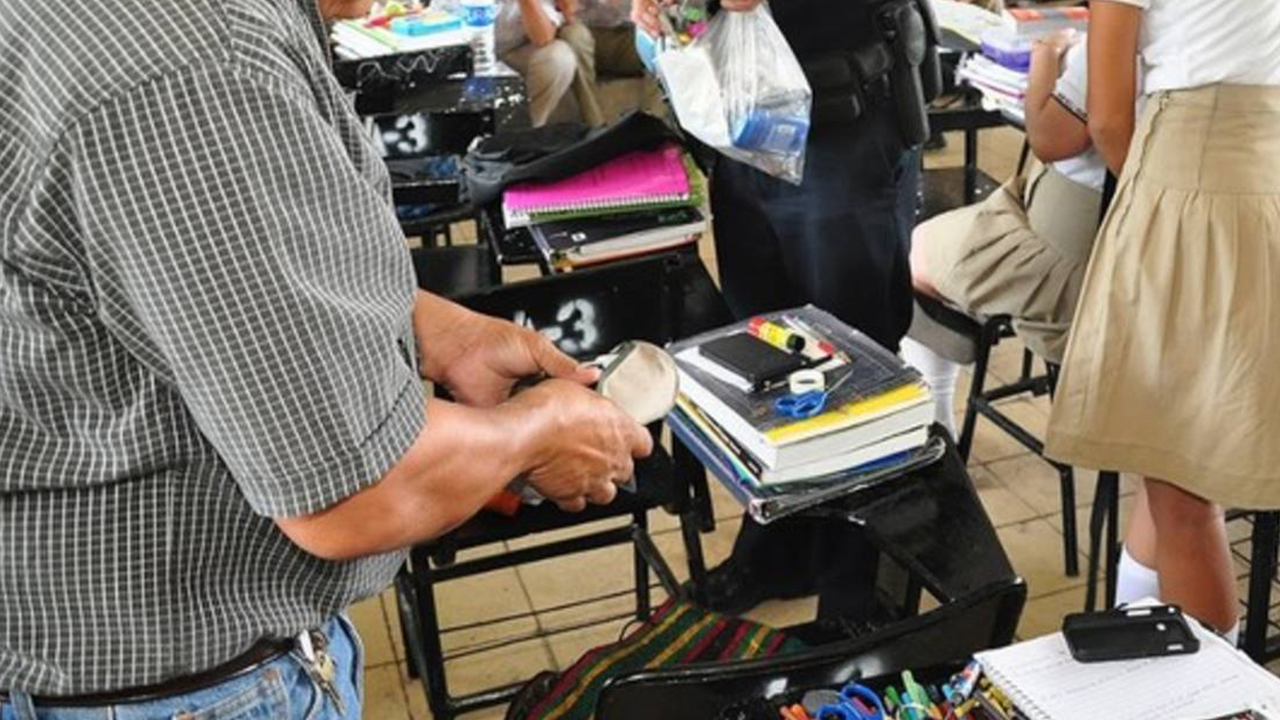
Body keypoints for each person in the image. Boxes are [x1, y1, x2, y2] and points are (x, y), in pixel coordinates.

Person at [0, 0, 651, 716]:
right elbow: (353, 495)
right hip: (182, 682)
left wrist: (438, 329)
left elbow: (179, 281)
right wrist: (539, 431)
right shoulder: (194, 69)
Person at [633, 0, 926, 617]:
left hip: (843, 122)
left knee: (854, 368)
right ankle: (778, 550)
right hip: (746, 121)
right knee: (763, 358)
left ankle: (857, 592)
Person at [1045, 0, 1280, 643]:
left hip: (1191, 182)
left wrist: (1153, 201)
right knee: (1166, 458)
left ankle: (1206, 686)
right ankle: (1141, 662)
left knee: (1183, 497)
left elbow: (1106, 118)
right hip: (1258, 173)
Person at [902, 31, 1117, 438]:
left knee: (911, 251)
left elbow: (1048, 138)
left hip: (1073, 265)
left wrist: (1045, 58)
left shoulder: (1118, 40)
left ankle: (938, 418)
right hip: (1161, 266)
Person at [497, 0, 603, 125]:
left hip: (514, 50)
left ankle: (534, 128)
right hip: (480, 49)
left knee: (559, 56)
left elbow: (544, 38)